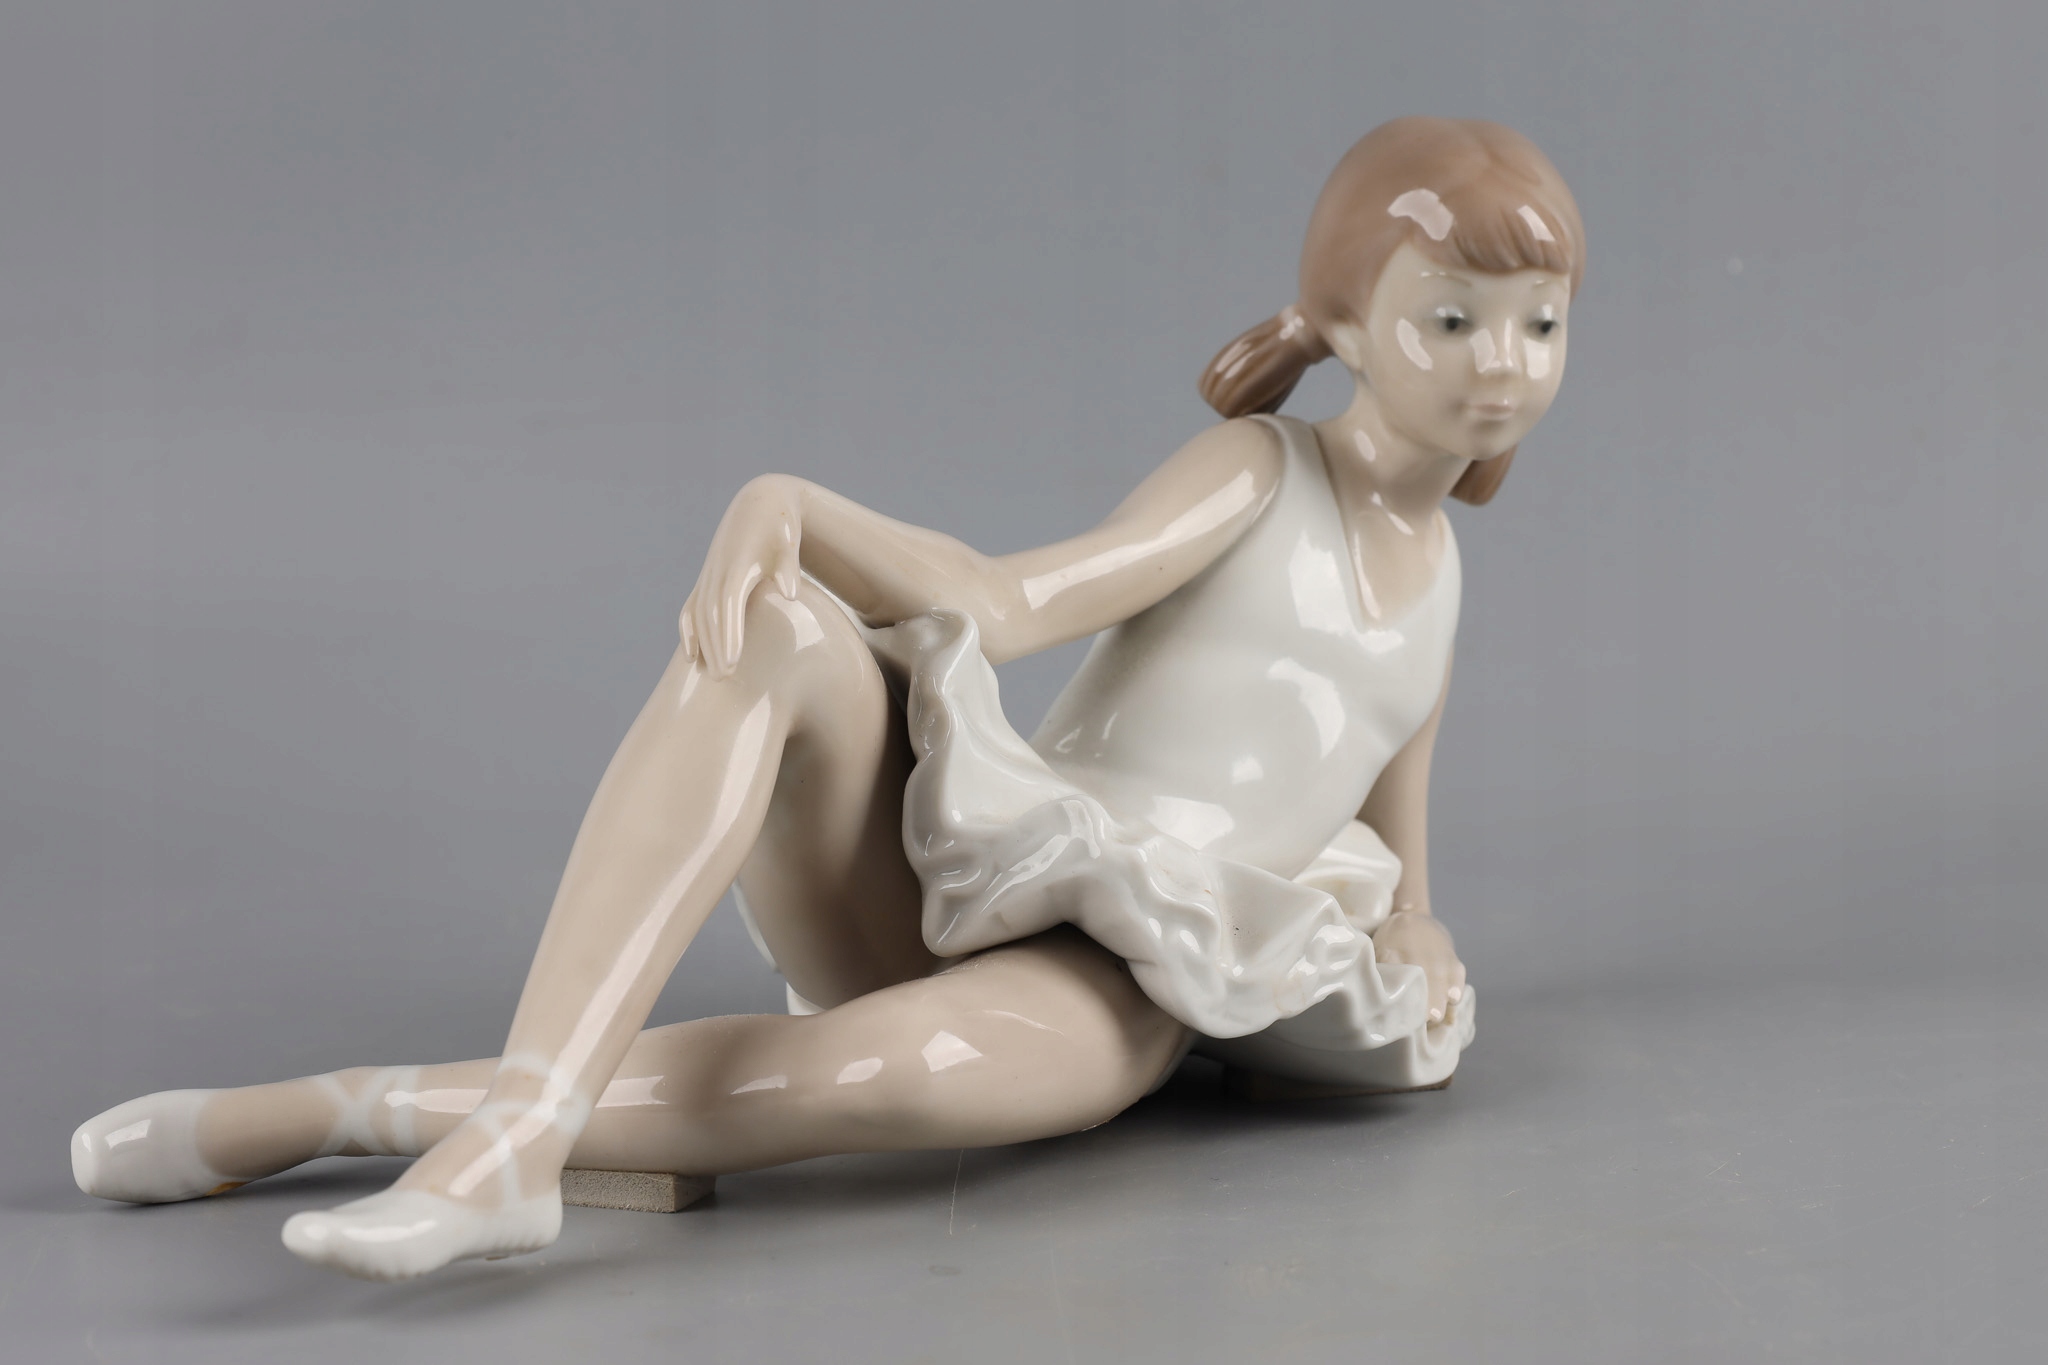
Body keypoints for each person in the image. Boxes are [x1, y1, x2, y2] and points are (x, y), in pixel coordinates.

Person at [70, 116, 1585, 1281]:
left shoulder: (1442, 582)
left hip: (1126, 980)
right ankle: (520, 1134)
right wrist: (792, 504)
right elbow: (1005, 602)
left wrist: (1416, 920)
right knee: (777, 624)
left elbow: (1393, 807)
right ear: (1343, 324)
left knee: (872, 1078)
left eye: (1539, 322)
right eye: (1451, 317)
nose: (1503, 365)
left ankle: (306, 1113)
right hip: (984, 875)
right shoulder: (1257, 471)